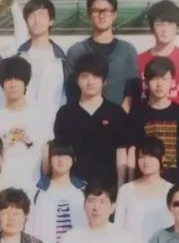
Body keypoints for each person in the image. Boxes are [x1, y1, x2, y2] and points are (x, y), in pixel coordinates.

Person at [53, 53, 132, 188]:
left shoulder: (116, 112)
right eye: (84, 76)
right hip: (74, 186)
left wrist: (120, 187)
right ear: (77, 80)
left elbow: (121, 153)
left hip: (107, 187)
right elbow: (60, 152)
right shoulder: (65, 113)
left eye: (96, 76)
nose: (90, 82)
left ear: (104, 81)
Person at [125, 0, 179, 123]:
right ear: (152, 28)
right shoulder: (139, 60)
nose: (164, 29)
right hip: (146, 126)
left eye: (170, 24)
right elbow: (130, 98)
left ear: (177, 27)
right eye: (159, 24)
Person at [127, 57, 179, 185]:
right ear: (146, 82)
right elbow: (132, 153)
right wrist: (130, 184)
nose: (159, 84)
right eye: (154, 79)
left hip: (176, 184)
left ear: (172, 82)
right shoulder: (136, 114)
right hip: (144, 184)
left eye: (164, 79)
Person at [0, 56, 50, 191]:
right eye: (8, 79)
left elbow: (47, 156)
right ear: (2, 83)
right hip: (0, 190)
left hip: (33, 188)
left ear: (25, 82)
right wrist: (7, 140)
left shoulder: (41, 116)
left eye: (18, 79)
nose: (13, 84)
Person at [64, 0, 139, 106]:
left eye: (107, 10)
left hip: (119, 115)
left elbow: (133, 90)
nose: (102, 15)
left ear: (115, 14)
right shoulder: (77, 51)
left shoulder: (127, 51)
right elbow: (70, 90)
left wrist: (122, 112)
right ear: (89, 15)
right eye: (96, 11)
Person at [10, 0, 66, 133]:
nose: (36, 20)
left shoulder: (63, 60)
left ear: (51, 21)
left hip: (54, 129)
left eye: (41, 15)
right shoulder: (17, 57)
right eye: (31, 16)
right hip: (21, 129)